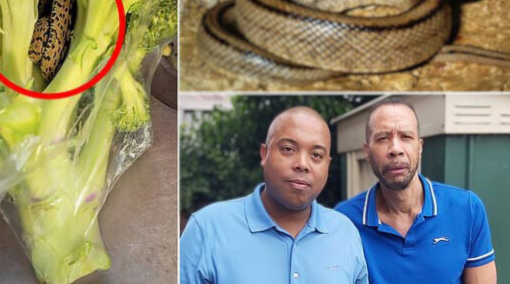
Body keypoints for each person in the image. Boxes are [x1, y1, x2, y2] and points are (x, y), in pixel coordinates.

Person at [180, 107, 368, 283]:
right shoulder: (207, 230)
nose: (302, 164)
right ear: (264, 154)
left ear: (327, 165)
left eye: (316, 155)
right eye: (288, 149)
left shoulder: (345, 233)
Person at [336, 98, 497, 284]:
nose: (395, 149)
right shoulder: (343, 221)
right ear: (367, 151)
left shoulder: (467, 209)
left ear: (419, 146)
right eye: (382, 138)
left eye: (406, 136)